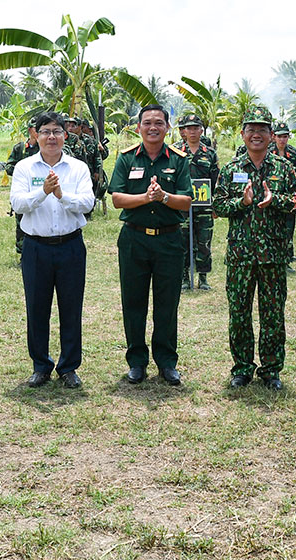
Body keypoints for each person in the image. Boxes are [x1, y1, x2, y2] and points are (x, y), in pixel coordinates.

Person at [211, 105, 296, 390]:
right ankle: (241, 368)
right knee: (239, 314)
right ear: (243, 134)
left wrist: (277, 200)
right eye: (251, 130)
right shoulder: (231, 169)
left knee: (273, 314)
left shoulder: (285, 169)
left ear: (272, 134)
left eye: (262, 130)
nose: (257, 135)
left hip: (273, 255)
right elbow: (218, 205)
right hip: (240, 256)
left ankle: (271, 370)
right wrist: (243, 203)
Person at [108, 104, 193, 385]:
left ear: (167, 128)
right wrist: (147, 197)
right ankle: (136, 362)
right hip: (134, 239)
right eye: (147, 123)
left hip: (169, 240)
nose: (153, 127)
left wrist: (164, 197)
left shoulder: (179, 160)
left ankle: (167, 362)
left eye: (159, 122)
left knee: (167, 304)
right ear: (138, 127)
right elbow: (117, 198)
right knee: (133, 302)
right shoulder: (126, 158)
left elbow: (186, 201)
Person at [10, 112, 95, 388]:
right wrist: (43, 192)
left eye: (57, 131)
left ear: (65, 136)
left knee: (71, 307)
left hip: (70, 245)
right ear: (36, 135)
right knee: (37, 308)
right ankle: (41, 366)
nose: (51, 137)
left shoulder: (78, 168)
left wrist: (61, 195)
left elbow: (87, 203)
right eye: (45, 131)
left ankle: (69, 367)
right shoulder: (25, 168)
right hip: (36, 248)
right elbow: (19, 204)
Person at [175, 113, 218, 291]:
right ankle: (185, 276)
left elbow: (216, 180)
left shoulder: (210, 154)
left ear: (201, 130)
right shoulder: (176, 152)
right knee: (183, 240)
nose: (192, 131)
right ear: (183, 131)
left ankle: (203, 277)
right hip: (182, 205)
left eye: (195, 128)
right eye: (188, 128)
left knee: (204, 241)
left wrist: (216, 204)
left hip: (204, 205)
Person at [272, 121, 296, 269]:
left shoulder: (292, 154)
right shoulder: (267, 152)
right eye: (279, 136)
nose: (282, 140)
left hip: (289, 197)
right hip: (272, 197)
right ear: (274, 137)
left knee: (288, 228)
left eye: (285, 136)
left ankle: (286, 259)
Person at [5, 118, 40, 256]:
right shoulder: (20, 148)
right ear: (30, 130)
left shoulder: (43, 149)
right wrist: (21, 172)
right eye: (36, 129)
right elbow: (9, 166)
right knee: (21, 224)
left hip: (39, 189)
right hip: (23, 190)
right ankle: (22, 253)